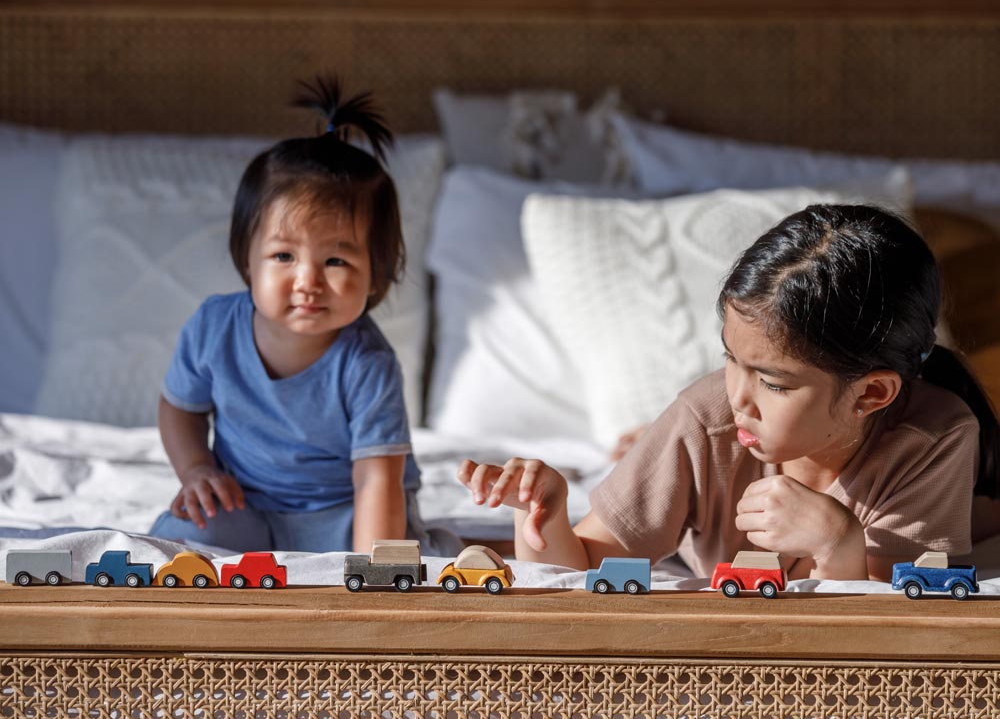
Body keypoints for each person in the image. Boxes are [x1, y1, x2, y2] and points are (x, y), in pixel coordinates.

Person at [458, 204, 1000, 581]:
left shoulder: (935, 439)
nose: (739, 395)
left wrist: (838, 543)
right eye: (730, 359)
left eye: (772, 382)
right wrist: (543, 515)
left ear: (871, 394)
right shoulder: (708, 414)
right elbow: (576, 575)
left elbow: (892, 636)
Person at [150, 76, 453, 555]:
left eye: (336, 261)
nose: (307, 281)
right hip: (243, 502)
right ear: (246, 259)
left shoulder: (366, 363)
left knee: (403, 558)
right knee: (183, 545)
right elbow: (180, 409)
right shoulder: (214, 327)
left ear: (376, 275)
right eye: (284, 257)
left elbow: (377, 480)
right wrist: (196, 470)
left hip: (347, 508)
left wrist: (371, 573)